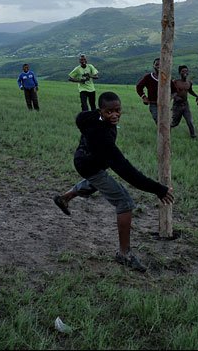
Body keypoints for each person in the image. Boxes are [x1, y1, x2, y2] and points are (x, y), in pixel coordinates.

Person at [52, 91, 175, 273]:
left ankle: (64, 198)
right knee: (124, 202)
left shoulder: (92, 118)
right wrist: (158, 189)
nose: (115, 115)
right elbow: (126, 171)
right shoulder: (101, 138)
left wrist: (101, 114)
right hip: (89, 165)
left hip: (86, 159)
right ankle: (124, 254)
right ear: (101, 111)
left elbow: (80, 117)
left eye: (118, 110)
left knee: (96, 183)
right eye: (109, 112)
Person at [170, 65, 198, 138]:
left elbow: (190, 91)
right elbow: (170, 92)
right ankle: (166, 132)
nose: (185, 73)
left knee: (190, 121)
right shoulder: (175, 82)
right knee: (174, 123)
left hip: (185, 105)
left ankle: (193, 136)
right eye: (183, 71)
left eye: (186, 71)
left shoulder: (189, 83)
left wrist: (197, 96)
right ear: (179, 73)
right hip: (177, 105)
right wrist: (176, 97)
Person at [135, 58, 160, 124]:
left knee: (166, 121)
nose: (159, 66)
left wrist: (169, 99)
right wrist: (144, 97)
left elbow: (174, 90)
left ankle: (166, 134)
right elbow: (139, 87)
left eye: (161, 64)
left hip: (164, 105)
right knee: (158, 120)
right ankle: (161, 134)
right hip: (153, 104)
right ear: (153, 66)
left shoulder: (167, 77)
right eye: (157, 64)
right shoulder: (148, 77)